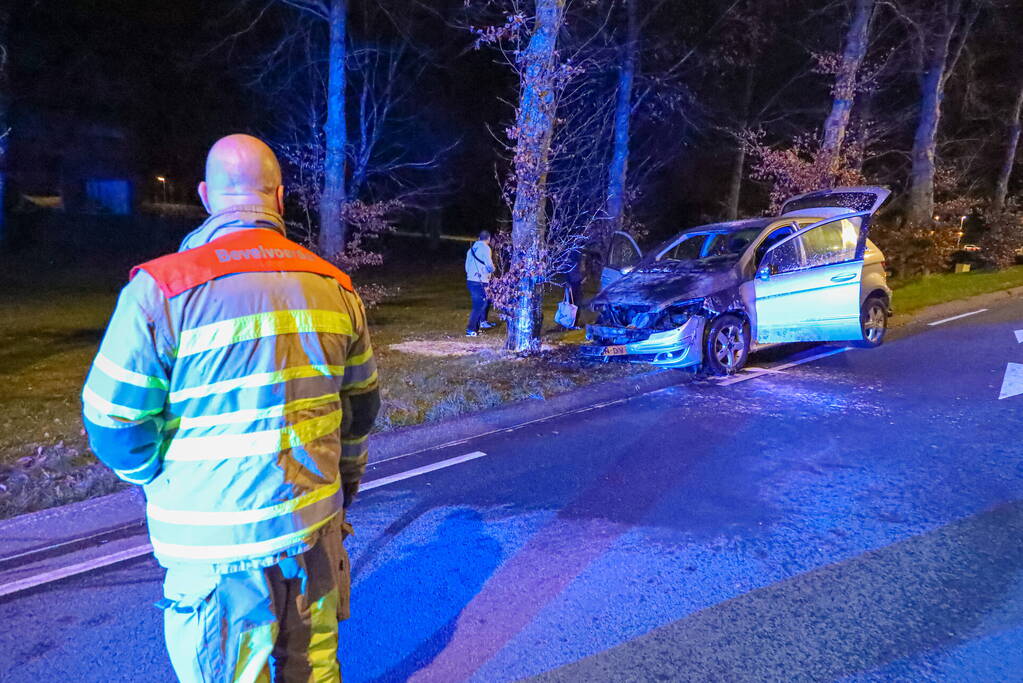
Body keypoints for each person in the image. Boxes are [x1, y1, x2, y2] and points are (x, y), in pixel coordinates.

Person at [81, 134, 380, 682]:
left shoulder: (162, 291)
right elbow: (360, 410)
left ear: (205, 195)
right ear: (281, 199)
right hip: (313, 529)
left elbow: (110, 419)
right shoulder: (336, 289)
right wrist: (343, 488)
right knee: (313, 672)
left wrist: (157, 478)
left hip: (215, 548)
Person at [465, 230, 496, 336]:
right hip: (481, 281)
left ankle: (476, 329)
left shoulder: (471, 250)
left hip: (471, 280)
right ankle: (471, 329)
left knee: (479, 304)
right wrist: (492, 270)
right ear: (489, 239)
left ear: (479, 238)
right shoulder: (486, 248)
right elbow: (489, 265)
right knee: (480, 305)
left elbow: (466, 267)